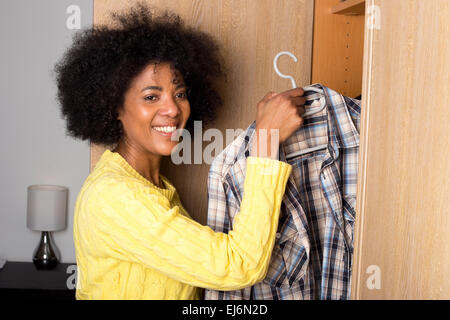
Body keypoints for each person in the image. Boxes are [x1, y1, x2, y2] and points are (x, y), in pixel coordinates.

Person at [55, 5, 306, 299]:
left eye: (180, 93)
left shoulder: (154, 186)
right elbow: (240, 265)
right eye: (151, 96)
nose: (173, 109)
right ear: (114, 107)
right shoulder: (115, 196)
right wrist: (266, 141)